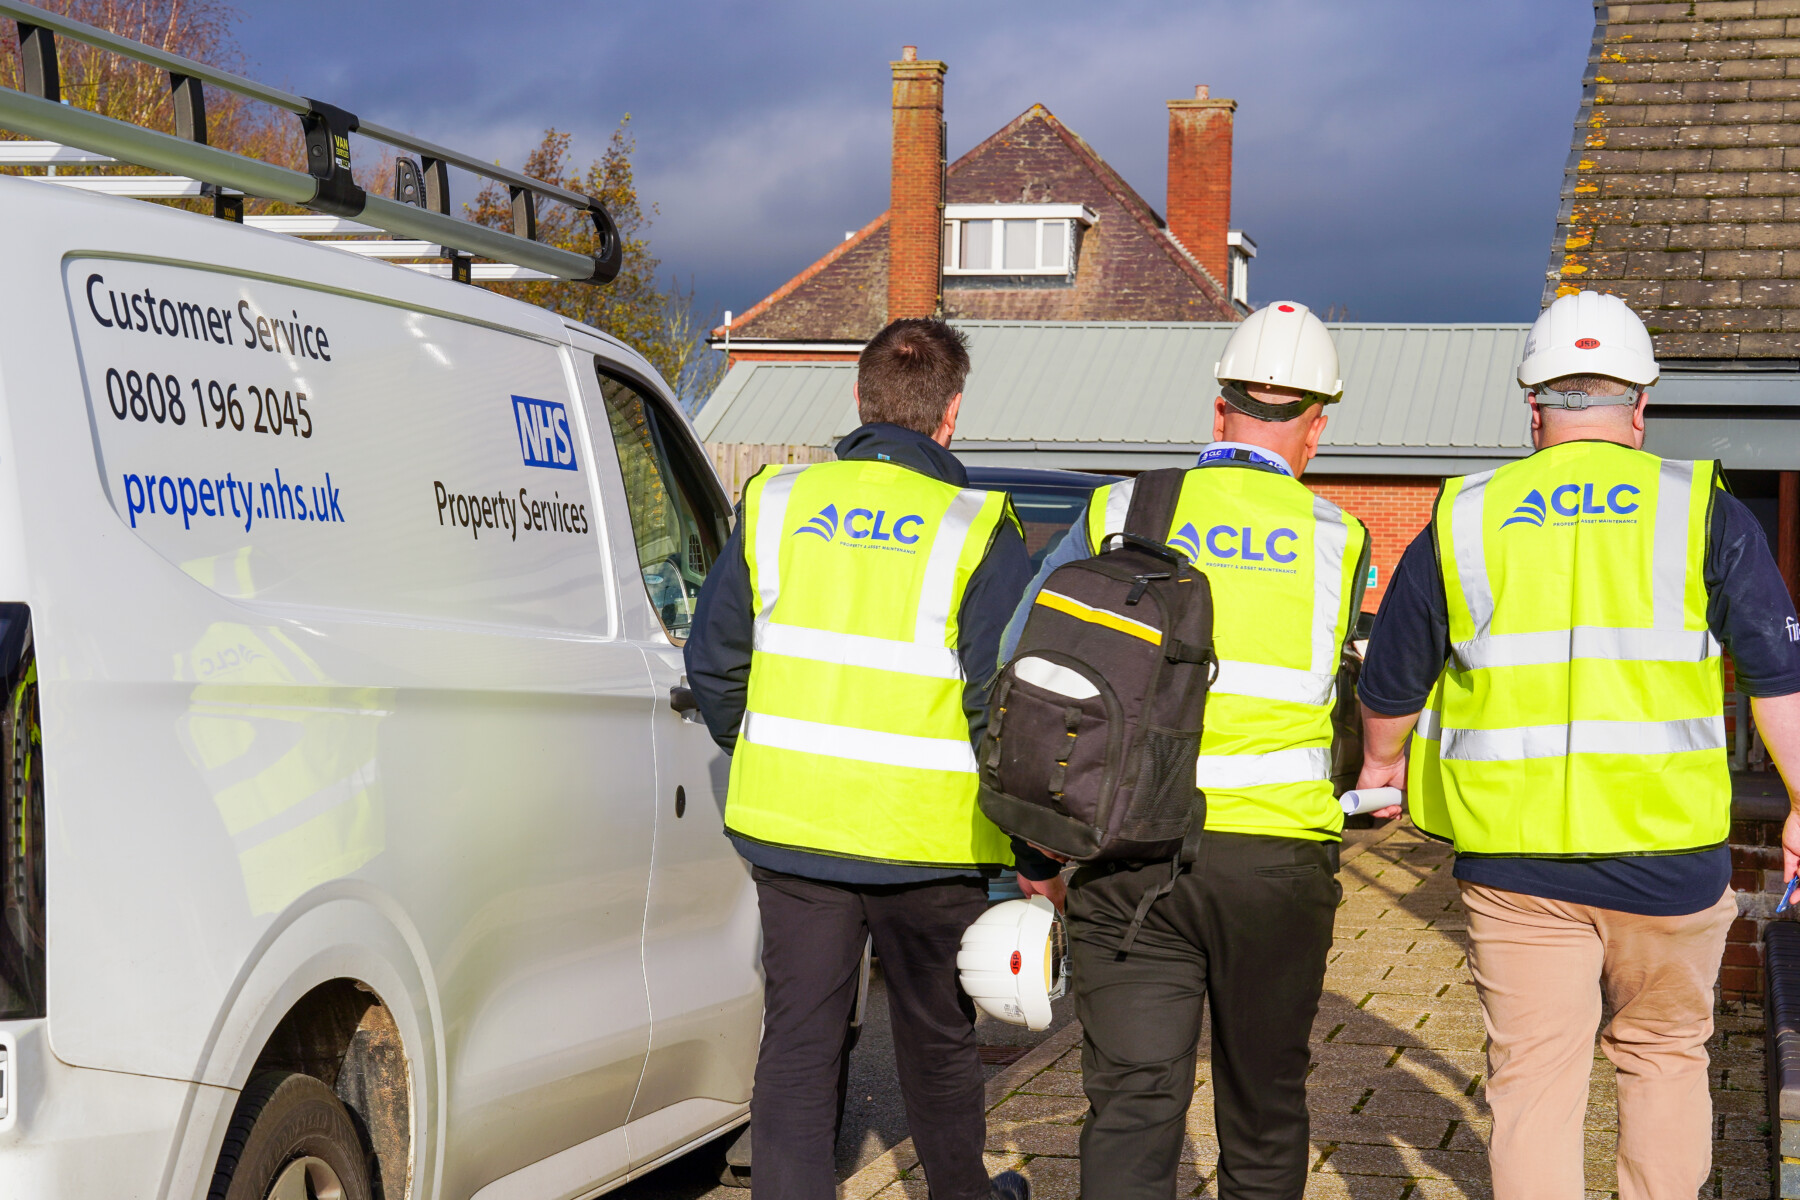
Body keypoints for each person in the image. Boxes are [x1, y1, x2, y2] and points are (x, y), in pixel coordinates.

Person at [1354, 289, 1800, 1199]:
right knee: (1667, 1061)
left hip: (1516, 867)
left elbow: (1392, 682)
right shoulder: (1703, 508)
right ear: (1640, 405)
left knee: (1533, 1086)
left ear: (1533, 407)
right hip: (1668, 860)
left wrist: (1379, 770)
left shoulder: (1465, 515)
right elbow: (1780, 679)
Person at [1001, 301, 1370, 1199]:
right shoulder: (1339, 540)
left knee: (1132, 1104)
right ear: (1315, 426)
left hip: (1128, 852)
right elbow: (1346, 700)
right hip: (1276, 866)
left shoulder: (1122, 506)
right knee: (1266, 1106)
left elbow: (1031, 676)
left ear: (1219, 412)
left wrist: (1037, 850)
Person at [684, 317, 1056, 1200]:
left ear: (858, 397)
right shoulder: (976, 527)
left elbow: (714, 666)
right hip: (929, 839)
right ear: (951, 413)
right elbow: (995, 703)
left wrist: (773, 747)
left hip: (796, 828)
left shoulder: (777, 501)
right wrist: (1036, 848)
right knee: (937, 1035)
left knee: (800, 1041)